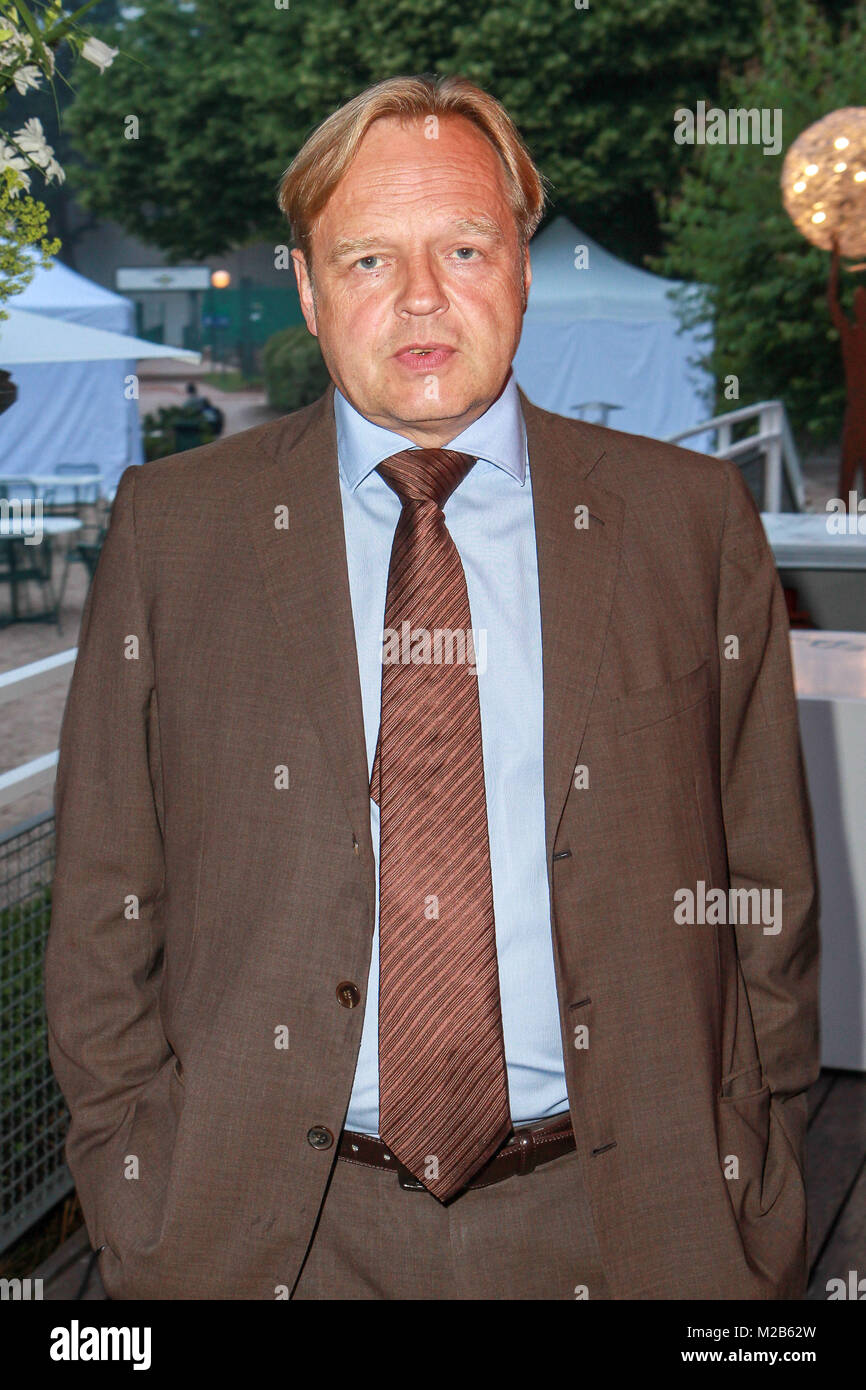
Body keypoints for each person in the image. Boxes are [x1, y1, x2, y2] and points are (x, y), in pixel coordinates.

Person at [45, 73, 820, 1301]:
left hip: (638, 1227)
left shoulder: (687, 523)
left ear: (521, 264)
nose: (418, 298)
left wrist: (755, 1170)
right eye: (364, 260)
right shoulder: (173, 532)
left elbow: (763, 884)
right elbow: (102, 900)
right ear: (303, 286)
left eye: (462, 246)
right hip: (253, 1236)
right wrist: (137, 1193)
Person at [828, 234, 866, 504]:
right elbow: (832, 300)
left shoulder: (850, 334)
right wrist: (836, 258)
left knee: (848, 474)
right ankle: (843, 523)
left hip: (856, 413)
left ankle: (844, 525)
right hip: (856, 412)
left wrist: (836, 257)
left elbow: (832, 301)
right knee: (847, 474)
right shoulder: (849, 334)